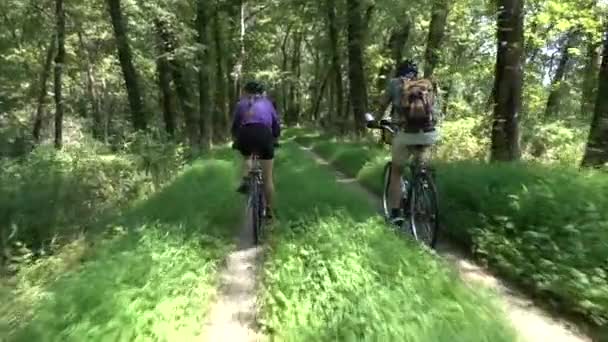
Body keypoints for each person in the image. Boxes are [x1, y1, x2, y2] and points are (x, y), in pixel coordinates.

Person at [375, 60, 441, 225]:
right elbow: (435, 111)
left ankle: (396, 214)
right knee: (422, 165)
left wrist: (374, 121)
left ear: (399, 71)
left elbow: (382, 106)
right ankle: (424, 192)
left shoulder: (395, 84)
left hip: (405, 134)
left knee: (396, 173)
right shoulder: (425, 85)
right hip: (428, 133)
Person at [231, 80, 281, 218]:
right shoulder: (267, 103)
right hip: (264, 135)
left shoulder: (241, 104)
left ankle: (247, 178)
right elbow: (276, 126)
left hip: (245, 135)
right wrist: (275, 138)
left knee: (247, 156)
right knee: (268, 178)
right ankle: (269, 211)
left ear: (245, 91)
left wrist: (236, 140)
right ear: (262, 92)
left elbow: (235, 125)